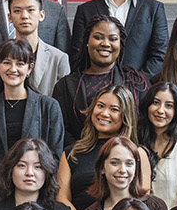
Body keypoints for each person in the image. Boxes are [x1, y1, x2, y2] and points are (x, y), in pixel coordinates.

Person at [0, 39, 67, 207]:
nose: (13, 69)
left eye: (20, 63)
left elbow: (54, 157)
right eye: (7, 62)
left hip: (39, 203)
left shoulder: (48, 107)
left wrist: (38, 199)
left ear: (30, 68)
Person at [53, 14, 152, 145]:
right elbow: (61, 131)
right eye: (98, 37)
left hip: (125, 158)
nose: (105, 43)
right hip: (79, 159)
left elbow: (145, 127)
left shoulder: (136, 83)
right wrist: (83, 154)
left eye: (113, 39)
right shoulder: (65, 86)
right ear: (87, 41)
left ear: (120, 44)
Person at [57, 85, 144, 210]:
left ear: (126, 116)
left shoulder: (138, 153)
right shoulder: (72, 153)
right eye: (100, 106)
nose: (104, 113)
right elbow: (62, 198)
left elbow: (142, 197)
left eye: (114, 109)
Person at [0, 0, 72, 99]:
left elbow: (64, 103)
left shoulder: (59, 59)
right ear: (9, 17)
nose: (24, 16)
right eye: (17, 11)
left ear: (41, 15)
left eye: (31, 10)